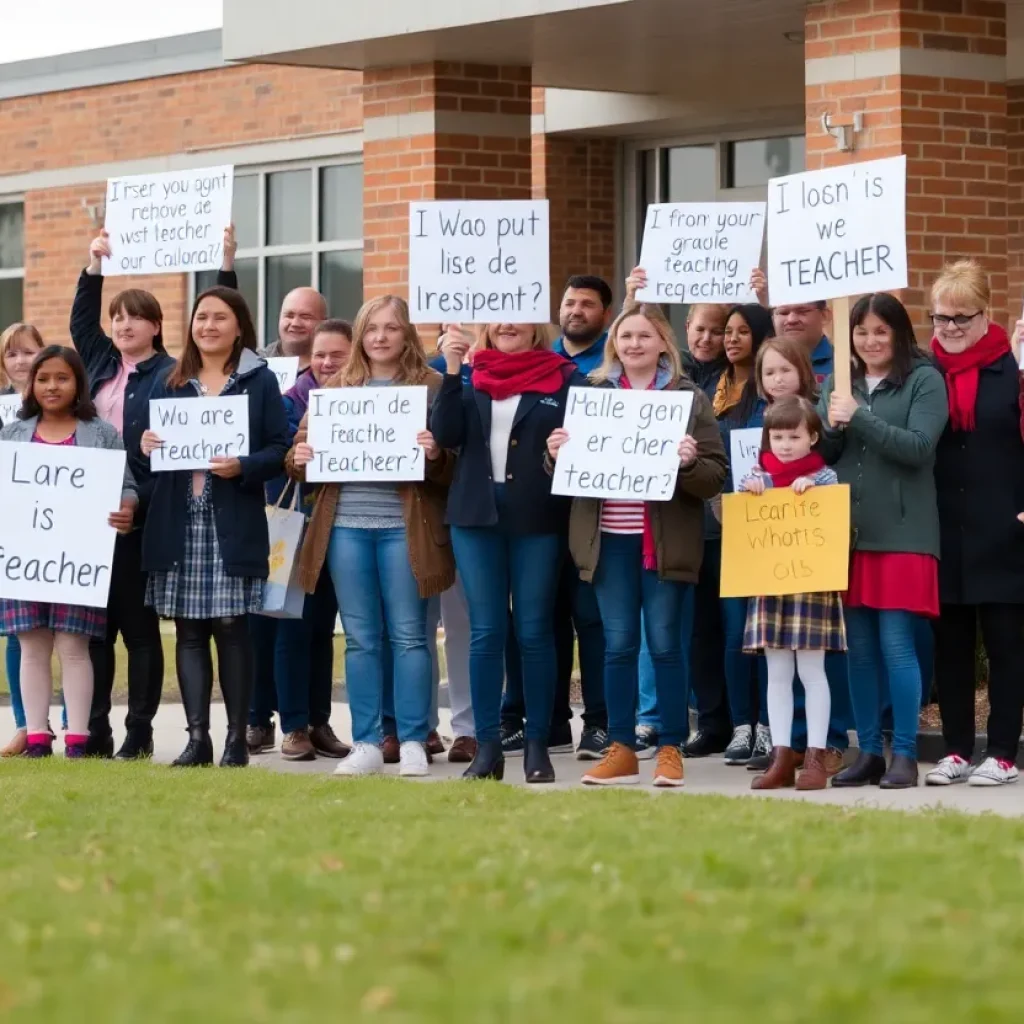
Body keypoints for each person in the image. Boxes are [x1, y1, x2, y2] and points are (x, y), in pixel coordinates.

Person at [71, 227, 239, 759]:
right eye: (117, 316)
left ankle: (138, 731)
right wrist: (94, 266)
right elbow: (82, 321)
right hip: (87, 516)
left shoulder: (174, 375)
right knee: (92, 634)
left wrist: (224, 265)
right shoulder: (97, 366)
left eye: (134, 316)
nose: (123, 324)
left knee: (138, 631)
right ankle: (93, 728)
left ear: (157, 326)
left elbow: (225, 338)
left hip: (141, 517)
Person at [548, 303, 726, 786]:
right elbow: (567, 475)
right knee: (618, 646)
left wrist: (689, 464)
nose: (633, 345)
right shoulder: (593, 395)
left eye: (644, 337)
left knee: (666, 645)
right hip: (608, 543)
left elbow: (714, 477)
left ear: (663, 343)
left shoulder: (688, 399)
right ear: (614, 345)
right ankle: (622, 746)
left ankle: (670, 748)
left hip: (664, 547)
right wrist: (555, 454)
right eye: (625, 337)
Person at [287, 295, 454, 778]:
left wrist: (436, 454)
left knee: (409, 636)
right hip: (345, 529)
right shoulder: (337, 387)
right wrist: (298, 459)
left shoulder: (432, 386)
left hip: (406, 529)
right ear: (360, 336)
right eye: (372, 328)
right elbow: (300, 451)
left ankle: (413, 737)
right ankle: (365, 742)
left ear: (407, 335)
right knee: (360, 639)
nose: (381, 336)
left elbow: (452, 467)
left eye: (391, 327)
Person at [141, 287, 289, 768]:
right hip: (179, 522)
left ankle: (235, 741)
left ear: (239, 327)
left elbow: (278, 450)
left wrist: (242, 466)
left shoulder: (259, 381)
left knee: (232, 629)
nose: (207, 326)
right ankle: (197, 738)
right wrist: (146, 442)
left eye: (219, 318)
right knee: (188, 632)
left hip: (232, 520)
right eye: (201, 317)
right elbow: (144, 449)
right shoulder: (170, 379)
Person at [431, 320, 579, 784]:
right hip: (476, 518)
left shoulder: (565, 377)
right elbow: (445, 434)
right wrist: (454, 368)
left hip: (539, 517)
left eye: (517, 314)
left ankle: (538, 743)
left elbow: (587, 444)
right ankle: (488, 746)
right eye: (498, 316)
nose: (507, 324)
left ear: (535, 324)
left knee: (534, 630)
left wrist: (562, 451)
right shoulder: (468, 376)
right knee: (486, 631)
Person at [820, 293, 947, 790]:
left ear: (898, 333)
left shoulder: (923, 379)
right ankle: (869, 751)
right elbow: (829, 451)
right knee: (860, 651)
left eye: (880, 331)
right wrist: (829, 423)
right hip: (848, 534)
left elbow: (917, 448)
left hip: (902, 533)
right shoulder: (839, 380)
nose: (870, 341)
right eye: (860, 332)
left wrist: (859, 415)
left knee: (897, 646)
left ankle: (906, 755)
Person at [0, 346, 137, 758]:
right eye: (43, 379)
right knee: (32, 646)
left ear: (78, 382)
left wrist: (126, 510)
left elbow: (125, 485)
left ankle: (78, 738)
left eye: (62, 378)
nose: (51, 386)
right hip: (25, 560)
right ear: (32, 385)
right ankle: (37, 736)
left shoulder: (100, 433)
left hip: (79, 560)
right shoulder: (12, 435)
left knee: (75, 648)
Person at [500, 276, 611, 759]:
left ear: (606, 313)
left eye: (588, 303)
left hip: (587, 517)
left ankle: (600, 722)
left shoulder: (607, 367)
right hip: (535, 519)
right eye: (569, 302)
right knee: (538, 621)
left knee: (590, 619)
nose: (576, 310)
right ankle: (545, 721)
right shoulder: (529, 367)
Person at [927, 261, 1024, 787]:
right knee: (952, 647)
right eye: (942, 318)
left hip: (1005, 526)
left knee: (1008, 647)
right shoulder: (923, 374)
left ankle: (1004, 751)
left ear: (987, 315)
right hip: (944, 530)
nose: (952, 328)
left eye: (962, 318)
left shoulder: (1013, 370)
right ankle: (958, 749)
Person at [250, 319, 353, 761]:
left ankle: (318, 720)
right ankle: (293, 725)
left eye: (338, 355)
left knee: (320, 631)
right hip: (296, 528)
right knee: (291, 625)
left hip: (342, 529)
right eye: (320, 354)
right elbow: (282, 461)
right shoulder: (289, 400)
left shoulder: (372, 403)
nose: (327, 363)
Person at [739, 396, 843, 791]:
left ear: (812, 436)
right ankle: (781, 757)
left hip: (811, 583)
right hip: (770, 582)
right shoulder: (758, 475)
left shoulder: (825, 476)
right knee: (777, 673)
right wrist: (750, 491)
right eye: (777, 436)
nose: (784, 444)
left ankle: (815, 756)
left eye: (794, 436)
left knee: (813, 672)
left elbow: (835, 515)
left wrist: (813, 489)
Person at [713, 304, 772, 766]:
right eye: (727, 331)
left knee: (768, 630)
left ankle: (769, 727)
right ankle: (741, 725)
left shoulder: (770, 394)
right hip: (728, 523)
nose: (731, 339)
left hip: (773, 528)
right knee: (734, 630)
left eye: (742, 331)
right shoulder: (713, 387)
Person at [0, 322, 45, 757]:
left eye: (28, 352)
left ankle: (73, 722)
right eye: (11, 354)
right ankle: (26, 724)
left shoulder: (60, 404)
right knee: (19, 634)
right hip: (13, 535)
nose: (20, 361)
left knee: (71, 635)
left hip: (61, 534)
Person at [260, 286, 327, 369]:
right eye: (289, 316)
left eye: (305, 317)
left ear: (324, 322)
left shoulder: (338, 367)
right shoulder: (254, 364)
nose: (295, 323)